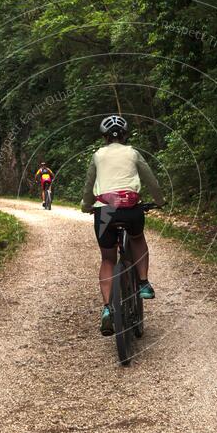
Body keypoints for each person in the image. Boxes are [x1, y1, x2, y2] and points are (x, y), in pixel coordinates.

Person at [80, 115, 165, 335]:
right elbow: (150, 180)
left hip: (105, 209)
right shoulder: (133, 153)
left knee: (108, 258)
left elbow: (90, 185)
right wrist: (159, 201)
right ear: (125, 135)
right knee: (137, 238)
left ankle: (108, 308)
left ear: (104, 137)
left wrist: (86, 205)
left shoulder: (98, 155)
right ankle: (144, 283)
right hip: (130, 208)